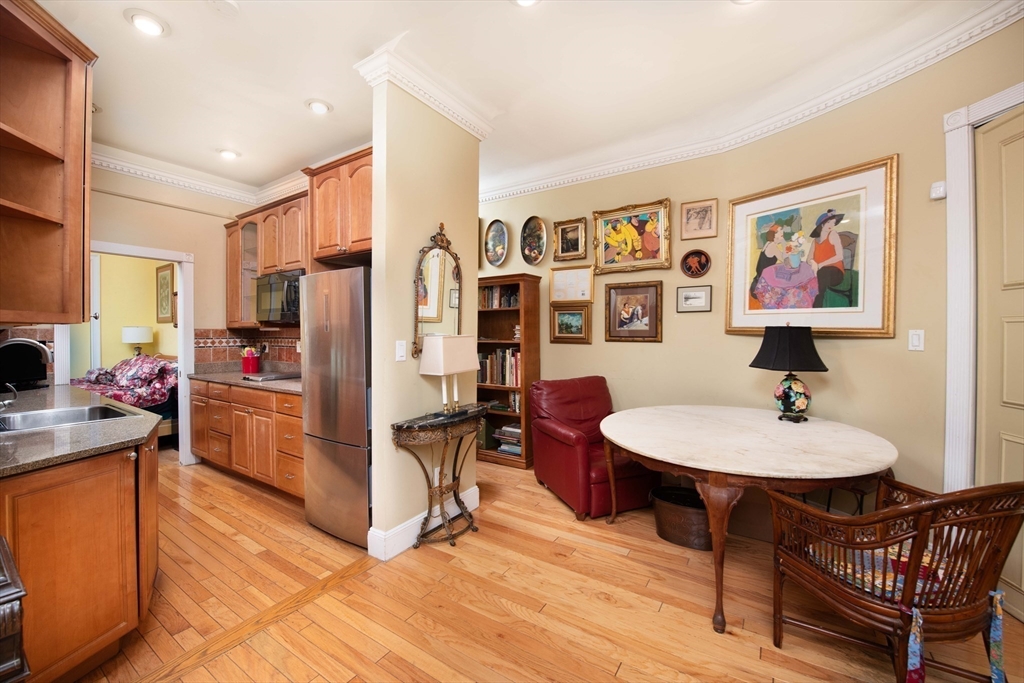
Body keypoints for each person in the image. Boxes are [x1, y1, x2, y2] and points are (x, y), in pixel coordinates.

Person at [807, 209, 846, 307]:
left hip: (834, 271)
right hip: (818, 271)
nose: (831, 225)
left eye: (833, 223)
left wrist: (820, 265)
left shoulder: (833, 234)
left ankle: (817, 305)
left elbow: (840, 256)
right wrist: (813, 263)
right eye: (828, 222)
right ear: (821, 225)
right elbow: (809, 259)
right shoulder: (815, 241)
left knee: (822, 273)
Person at [750, 224, 786, 297]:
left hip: (758, 281)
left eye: (781, 229)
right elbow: (785, 260)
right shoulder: (772, 247)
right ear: (773, 235)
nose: (781, 232)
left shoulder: (768, 243)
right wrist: (784, 243)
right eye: (777, 231)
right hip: (762, 286)